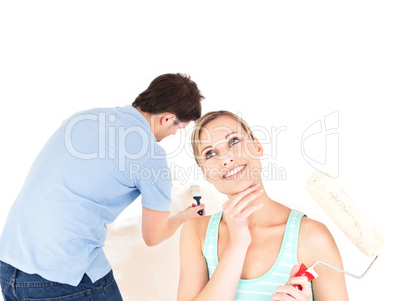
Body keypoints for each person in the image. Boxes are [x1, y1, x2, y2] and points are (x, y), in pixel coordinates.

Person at [0, 73, 205, 301]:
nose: (175, 133)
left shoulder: (85, 118)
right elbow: (153, 236)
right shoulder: (149, 154)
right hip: (63, 277)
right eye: (180, 127)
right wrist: (184, 217)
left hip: (9, 264)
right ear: (167, 119)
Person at [178, 111, 349, 301]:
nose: (226, 159)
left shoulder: (313, 237)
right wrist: (237, 244)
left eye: (234, 141)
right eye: (210, 154)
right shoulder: (197, 233)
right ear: (206, 174)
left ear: (257, 146)